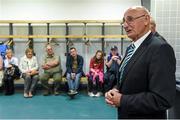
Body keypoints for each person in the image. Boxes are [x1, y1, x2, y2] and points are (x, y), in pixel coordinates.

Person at [105, 6, 176, 119]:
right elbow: (127, 78)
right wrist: (115, 90)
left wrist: (122, 100)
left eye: (130, 19)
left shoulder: (160, 48)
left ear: (146, 20)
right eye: (124, 21)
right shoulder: (131, 49)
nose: (125, 25)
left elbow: (163, 99)